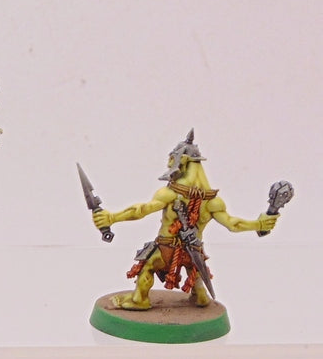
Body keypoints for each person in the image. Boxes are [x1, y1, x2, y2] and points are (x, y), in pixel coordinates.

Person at [92, 131, 278, 309]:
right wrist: (259, 224)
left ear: (183, 160)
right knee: (194, 271)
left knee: (147, 266)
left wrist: (111, 217)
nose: (168, 163)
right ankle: (200, 296)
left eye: (171, 158)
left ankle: (140, 300)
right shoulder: (212, 201)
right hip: (193, 251)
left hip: (166, 248)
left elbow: (141, 210)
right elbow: (233, 224)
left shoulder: (170, 193)